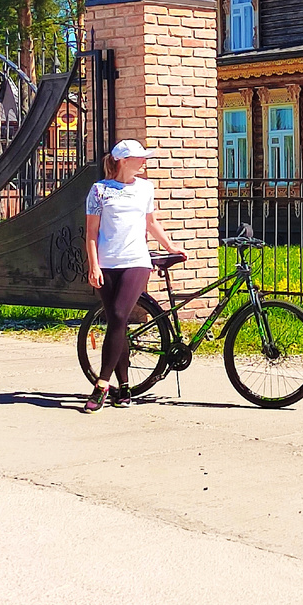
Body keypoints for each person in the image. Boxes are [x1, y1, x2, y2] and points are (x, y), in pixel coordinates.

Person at [82, 139, 186, 412]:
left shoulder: (145, 189)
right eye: (139, 158)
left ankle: (102, 385)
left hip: (136, 261)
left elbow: (151, 223)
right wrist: (93, 266)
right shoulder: (99, 191)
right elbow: (91, 233)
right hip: (107, 263)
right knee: (118, 324)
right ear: (123, 161)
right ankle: (124, 387)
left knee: (118, 316)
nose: (144, 162)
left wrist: (170, 247)